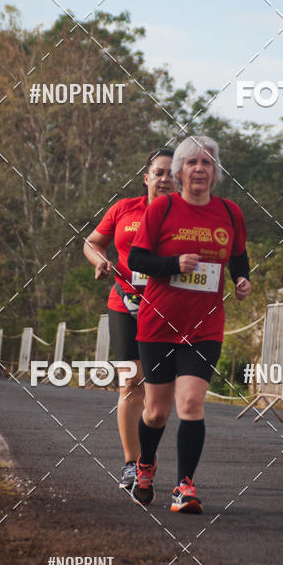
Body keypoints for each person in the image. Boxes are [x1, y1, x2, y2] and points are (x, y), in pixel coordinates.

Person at [129, 135, 251, 513]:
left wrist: (242, 280)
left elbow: (238, 257)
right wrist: (173, 264)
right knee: (156, 412)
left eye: (207, 163)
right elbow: (137, 259)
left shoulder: (230, 213)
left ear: (215, 173)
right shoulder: (163, 208)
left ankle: (184, 486)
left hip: (205, 325)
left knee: (192, 402)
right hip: (159, 324)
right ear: (181, 172)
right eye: (193, 163)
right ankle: (145, 465)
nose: (200, 168)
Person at [83, 150, 174, 492]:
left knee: (159, 394)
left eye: (170, 173)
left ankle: (147, 459)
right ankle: (130, 465)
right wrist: (99, 261)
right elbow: (91, 243)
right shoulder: (124, 209)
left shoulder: (184, 216)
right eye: (158, 172)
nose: (164, 178)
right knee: (129, 383)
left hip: (167, 307)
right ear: (146, 177)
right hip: (124, 303)